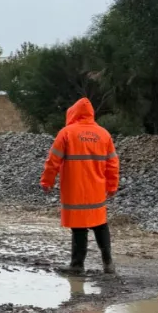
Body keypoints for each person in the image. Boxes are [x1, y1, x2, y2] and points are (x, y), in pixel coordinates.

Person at [40, 97, 120, 275]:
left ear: (73, 112)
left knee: (79, 227)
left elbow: (53, 160)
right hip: (97, 191)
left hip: (75, 190)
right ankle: (108, 263)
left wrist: (47, 181)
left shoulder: (66, 133)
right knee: (100, 224)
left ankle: (77, 265)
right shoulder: (104, 134)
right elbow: (113, 164)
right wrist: (112, 186)